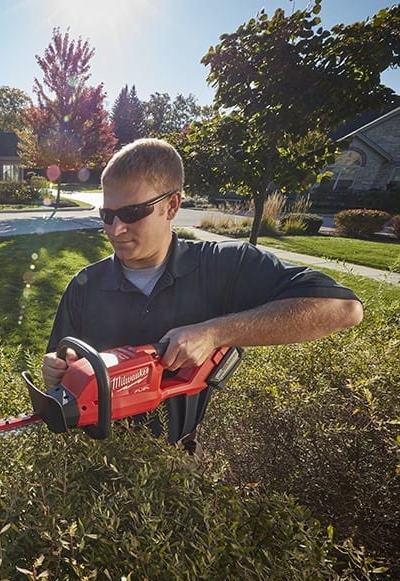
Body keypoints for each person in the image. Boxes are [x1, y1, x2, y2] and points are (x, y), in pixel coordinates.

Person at [42, 138, 364, 448]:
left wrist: (214, 333)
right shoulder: (84, 285)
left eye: (131, 214)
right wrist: (57, 371)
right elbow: (60, 365)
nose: (116, 229)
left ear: (172, 206)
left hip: (179, 461)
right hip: (96, 462)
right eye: (107, 215)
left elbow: (343, 308)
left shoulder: (224, 265)